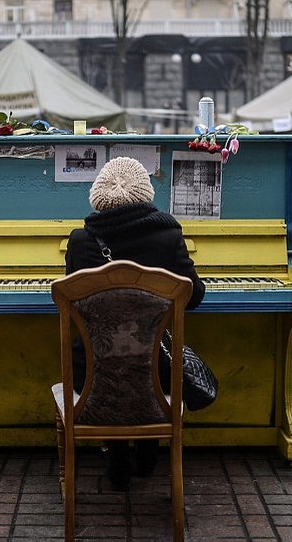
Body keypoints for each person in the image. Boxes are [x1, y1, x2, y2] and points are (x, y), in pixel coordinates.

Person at [65, 156, 206, 492]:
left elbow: (71, 300)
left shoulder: (81, 240)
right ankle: (147, 450)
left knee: (107, 361)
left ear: (98, 196)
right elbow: (195, 295)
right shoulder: (169, 237)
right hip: (156, 370)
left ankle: (116, 457)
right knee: (148, 367)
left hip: (93, 374)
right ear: (145, 194)